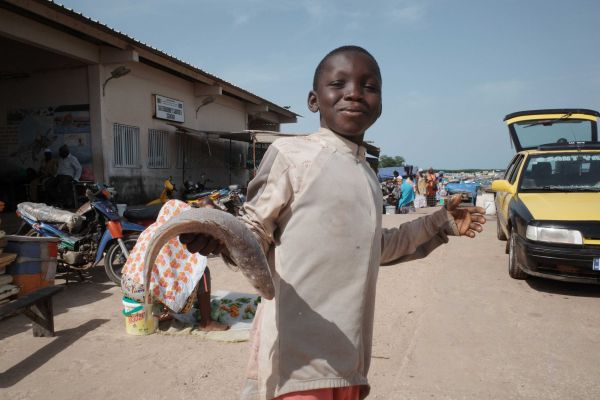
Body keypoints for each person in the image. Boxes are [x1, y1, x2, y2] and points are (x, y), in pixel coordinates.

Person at [180, 45, 486, 400]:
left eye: (368, 86)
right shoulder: (292, 156)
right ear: (314, 100)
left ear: (381, 103)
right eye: (338, 83)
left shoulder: (367, 174)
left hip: (348, 360)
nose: (354, 92)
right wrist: (221, 237)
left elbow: (375, 248)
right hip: (297, 362)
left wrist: (440, 222)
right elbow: (253, 233)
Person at [121, 198, 229, 331]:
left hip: (129, 288)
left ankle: (161, 311)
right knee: (202, 271)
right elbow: (192, 269)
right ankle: (206, 322)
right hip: (145, 292)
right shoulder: (178, 236)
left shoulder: (152, 230)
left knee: (166, 276)